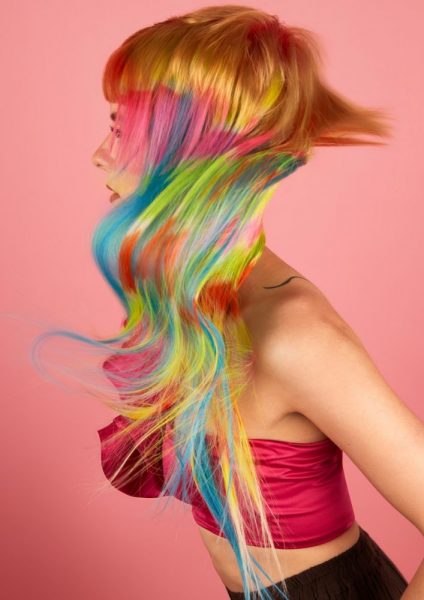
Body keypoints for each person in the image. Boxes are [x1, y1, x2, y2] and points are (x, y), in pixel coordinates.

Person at [89, 5, 422, 600]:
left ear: (187, 153)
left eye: (120, 130)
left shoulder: (294, 335)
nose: (98, 155)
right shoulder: (203, 302)